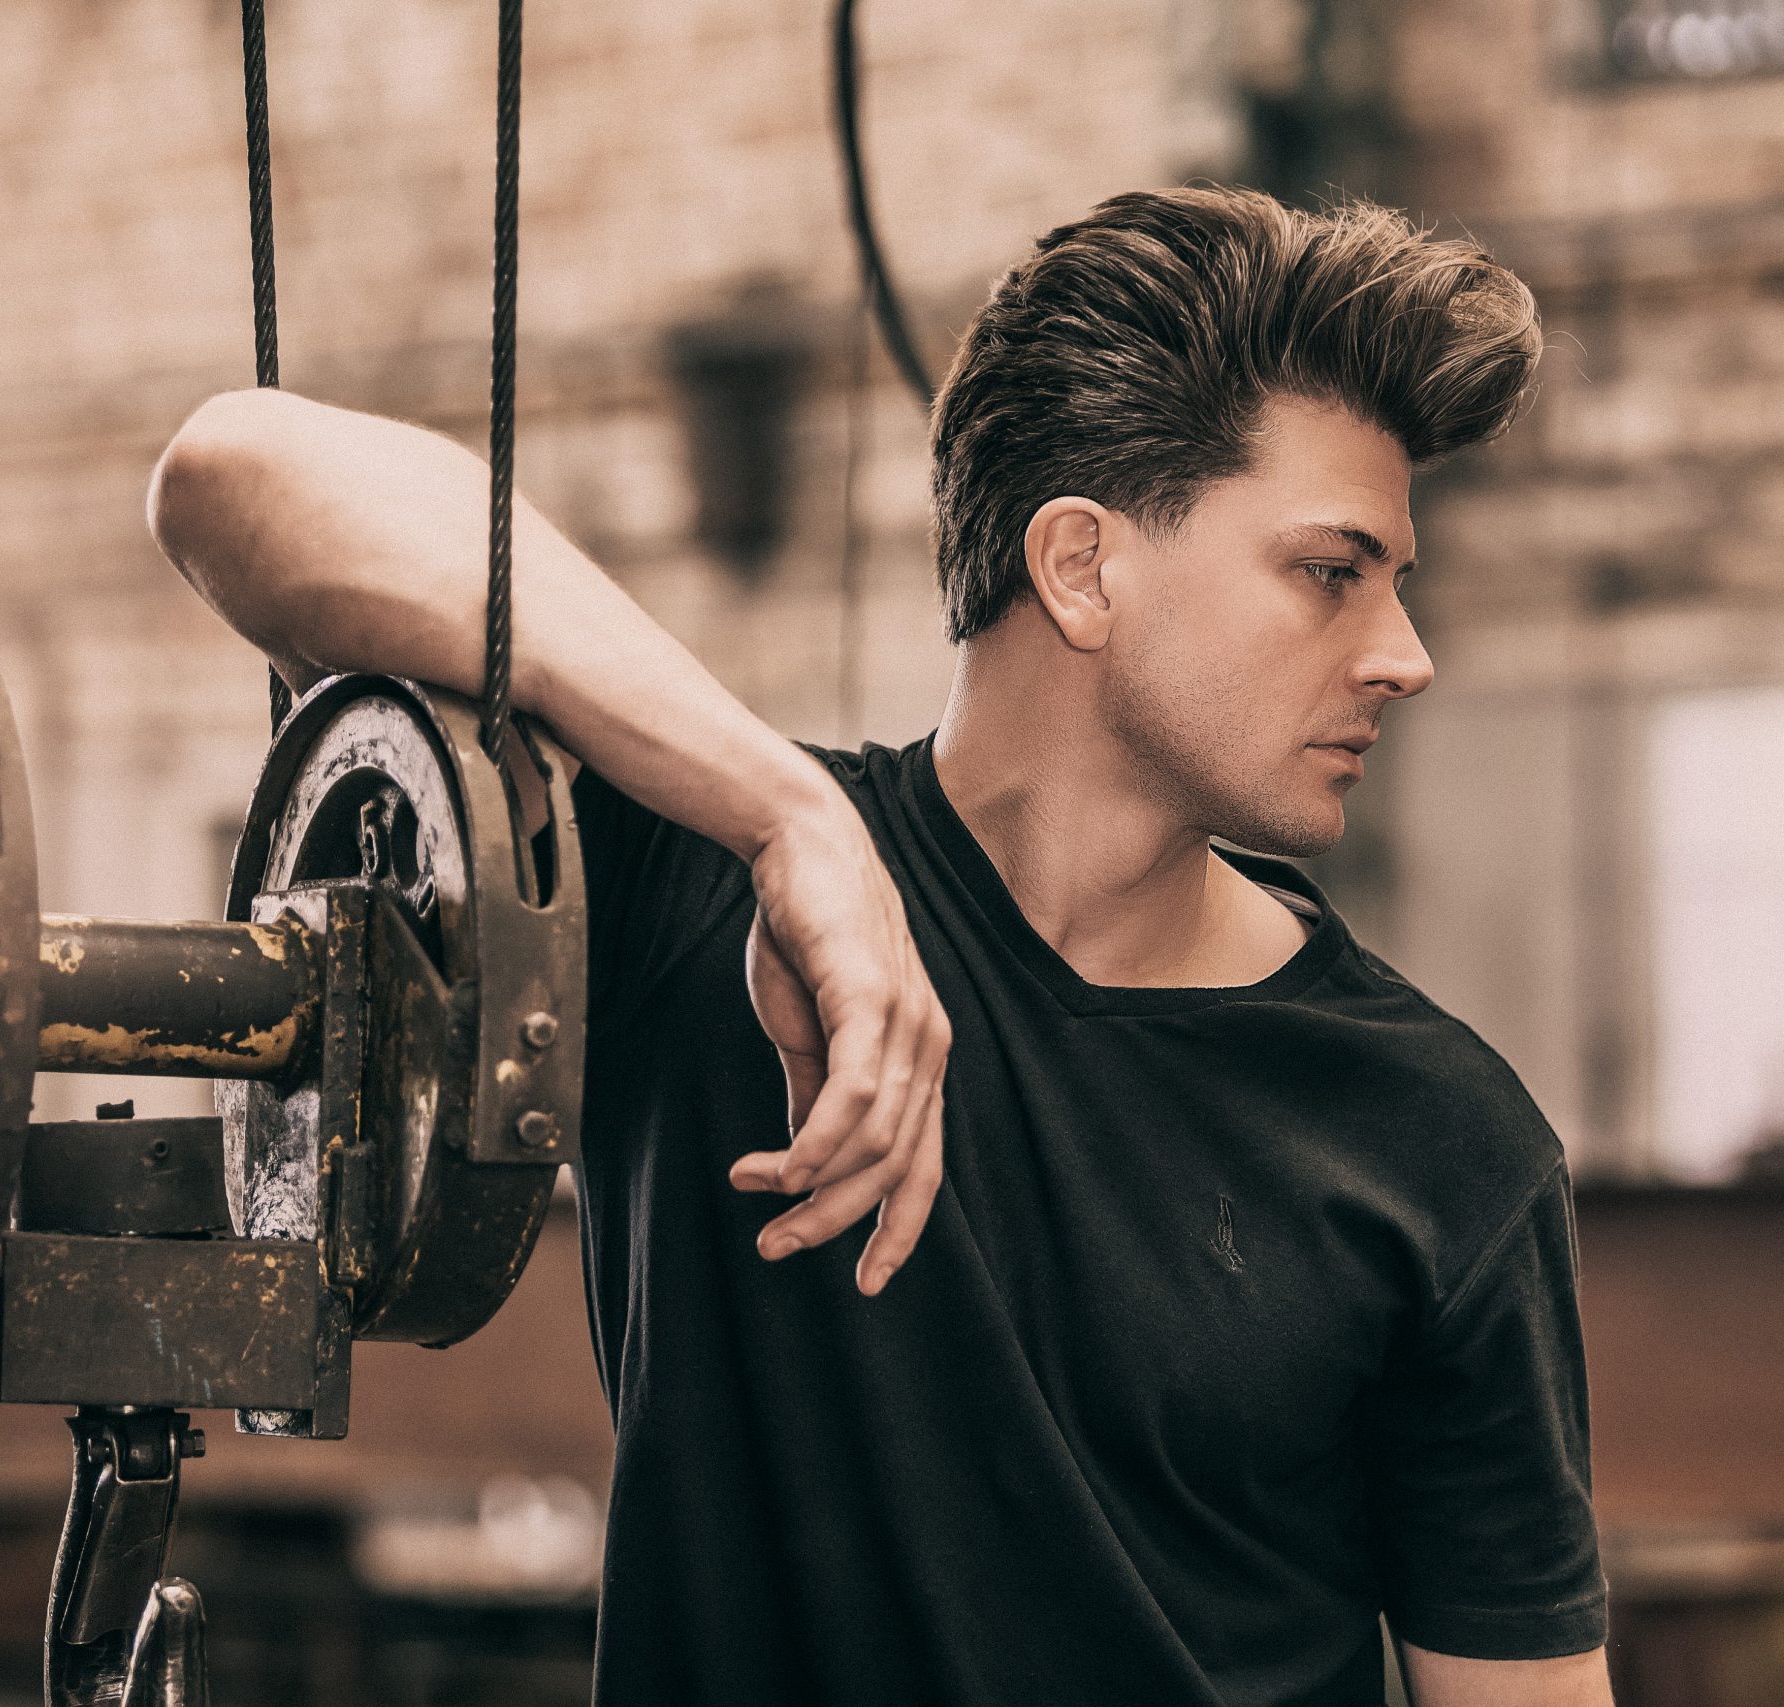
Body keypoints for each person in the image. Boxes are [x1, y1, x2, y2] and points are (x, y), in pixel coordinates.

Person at [148, 187, 1611, 1707]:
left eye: (1397, 583)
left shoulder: (1443, 1140)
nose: (1404, 654)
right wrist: (789, 818)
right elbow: (233, 479)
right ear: (1083, 567)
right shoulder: (708, 897)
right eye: (1332, 571)